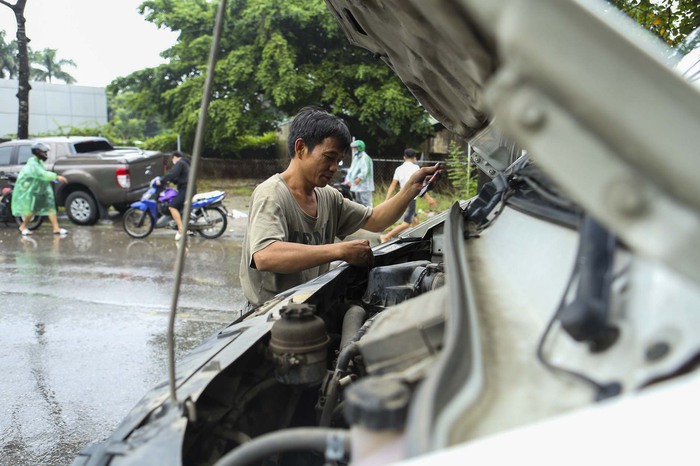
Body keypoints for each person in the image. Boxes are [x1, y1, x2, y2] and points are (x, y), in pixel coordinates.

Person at [239, 107, 442, 308]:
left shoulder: (328, 196)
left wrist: (410, 189)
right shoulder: (272, 194)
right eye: (328, 157)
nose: (334, 167)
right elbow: (265, 255)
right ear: (300, 148)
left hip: (309, 308)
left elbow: (375, 220)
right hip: (266, 318)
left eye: (338, 160)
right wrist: (340, 250)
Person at [12, 142, 69, 236]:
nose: (46, 154)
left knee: (50, 207)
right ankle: (23, 226)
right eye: (44, 152)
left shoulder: (38, 162)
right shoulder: (33, 163)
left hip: (40, 190)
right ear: (38, 152)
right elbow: (41, 174)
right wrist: (56, 177)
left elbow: (43, 174)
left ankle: (56, 228)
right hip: (32, 190)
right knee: (32, 209)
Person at [380, 148, 437, 243]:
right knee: (406, 223)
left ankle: (414, 240)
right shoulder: (416, 168)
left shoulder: (399, 169)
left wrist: (387, 199)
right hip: (410, 199)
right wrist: (429, 198)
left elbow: (393, 186)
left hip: (402, 197)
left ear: (404, 157)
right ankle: (386, 236)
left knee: (416, 219)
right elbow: (420, 186)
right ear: (415, 158)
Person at [158, 150, 193, 240]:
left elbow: (172, 174)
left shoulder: (180, 163)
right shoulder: (186, 163)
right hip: (189, 189)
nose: (173, 162)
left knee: (172, 207)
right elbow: (179, 178)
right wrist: (171, 180)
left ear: (175, 157)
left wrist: (161, 180)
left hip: (186, 190)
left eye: (172, 160)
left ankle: (181, 229)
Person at [345, 139, 374, 207]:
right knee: (359, 203)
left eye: (355, 148)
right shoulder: (356, 158)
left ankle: (370, 216)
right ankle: (362, 217)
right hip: (356, 186)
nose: (354, 150)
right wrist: (348, 179)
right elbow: (351, 170)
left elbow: (365, 170)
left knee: (366, 203)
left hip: (364, 186)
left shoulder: (365, 158)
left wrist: (359, 178)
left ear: (360, 148)